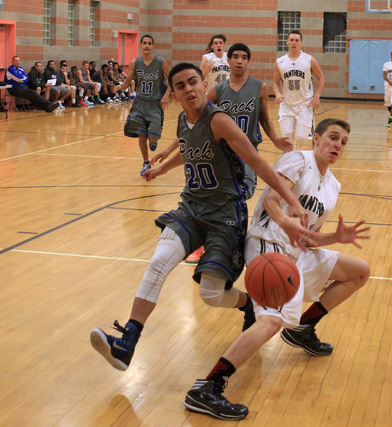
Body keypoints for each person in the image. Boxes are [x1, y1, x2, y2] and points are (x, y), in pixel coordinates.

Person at [90, 62, 315, 374]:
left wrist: (293, 201)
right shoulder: (184, 120)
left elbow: (257, 161)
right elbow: (187, 148)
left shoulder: (219, 120)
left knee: (211, 295)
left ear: (203, 83)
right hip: (191, 208)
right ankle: (127, 343)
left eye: (193, 82)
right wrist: (162, 168)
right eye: (180, 86)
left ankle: (247, 303)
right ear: (175, 94)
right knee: (158, 263)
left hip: (225, 214)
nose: (189, 89)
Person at [183, 118, 371, 420]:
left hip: (297, 252)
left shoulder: (333, 186)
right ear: (315, 139)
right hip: (268, 245)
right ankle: (208, 386)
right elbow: (271, 199)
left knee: (360, 270)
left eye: (344, 142)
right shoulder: (298, 160)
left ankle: (303, 327)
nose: (338, 145)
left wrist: (335, 238)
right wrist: (285, 221)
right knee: (271, 321)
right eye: (333, 138)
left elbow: (308, 239)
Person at [155, 43, 295, 265]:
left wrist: (276, 140)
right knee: (214, 194)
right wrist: (168, 150)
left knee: (239, 193)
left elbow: (265, 119)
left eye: (243, 57)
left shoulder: (259, 87)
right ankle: (205, 241)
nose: (239, 61)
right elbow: (195, 123)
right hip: (217, 154)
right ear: (228, 61)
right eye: (235, 57)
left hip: (246, 154)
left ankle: (229, 237)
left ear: (249, 61)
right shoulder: (218, 89)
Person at [114, 34, 172, 175]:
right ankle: (146, 163)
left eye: (149, 43)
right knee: (141, 135)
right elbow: (128, 81)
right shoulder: (135, 63)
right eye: (144, 43)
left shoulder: (160, 62)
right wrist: (120, 87)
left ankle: (153, 140)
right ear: (140, 45)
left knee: (152, 137)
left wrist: (166, 95)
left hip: (154, 104)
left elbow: (171, 80)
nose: (146, 45)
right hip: (140, 103)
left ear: (153, 45)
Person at [273, 30, 325, 146]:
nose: (294, 43)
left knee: (301, 139)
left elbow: (321, 78)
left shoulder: (309, 60)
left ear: (301, 43)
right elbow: (275, 83)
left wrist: (317, 96)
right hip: (286, 105)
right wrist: (277, 94)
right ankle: (290, 162)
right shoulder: (280, 62)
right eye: (291, 40)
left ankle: (297, 158)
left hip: (304, 105)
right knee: (286, 139)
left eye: (297, 40)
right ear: (287, 42)